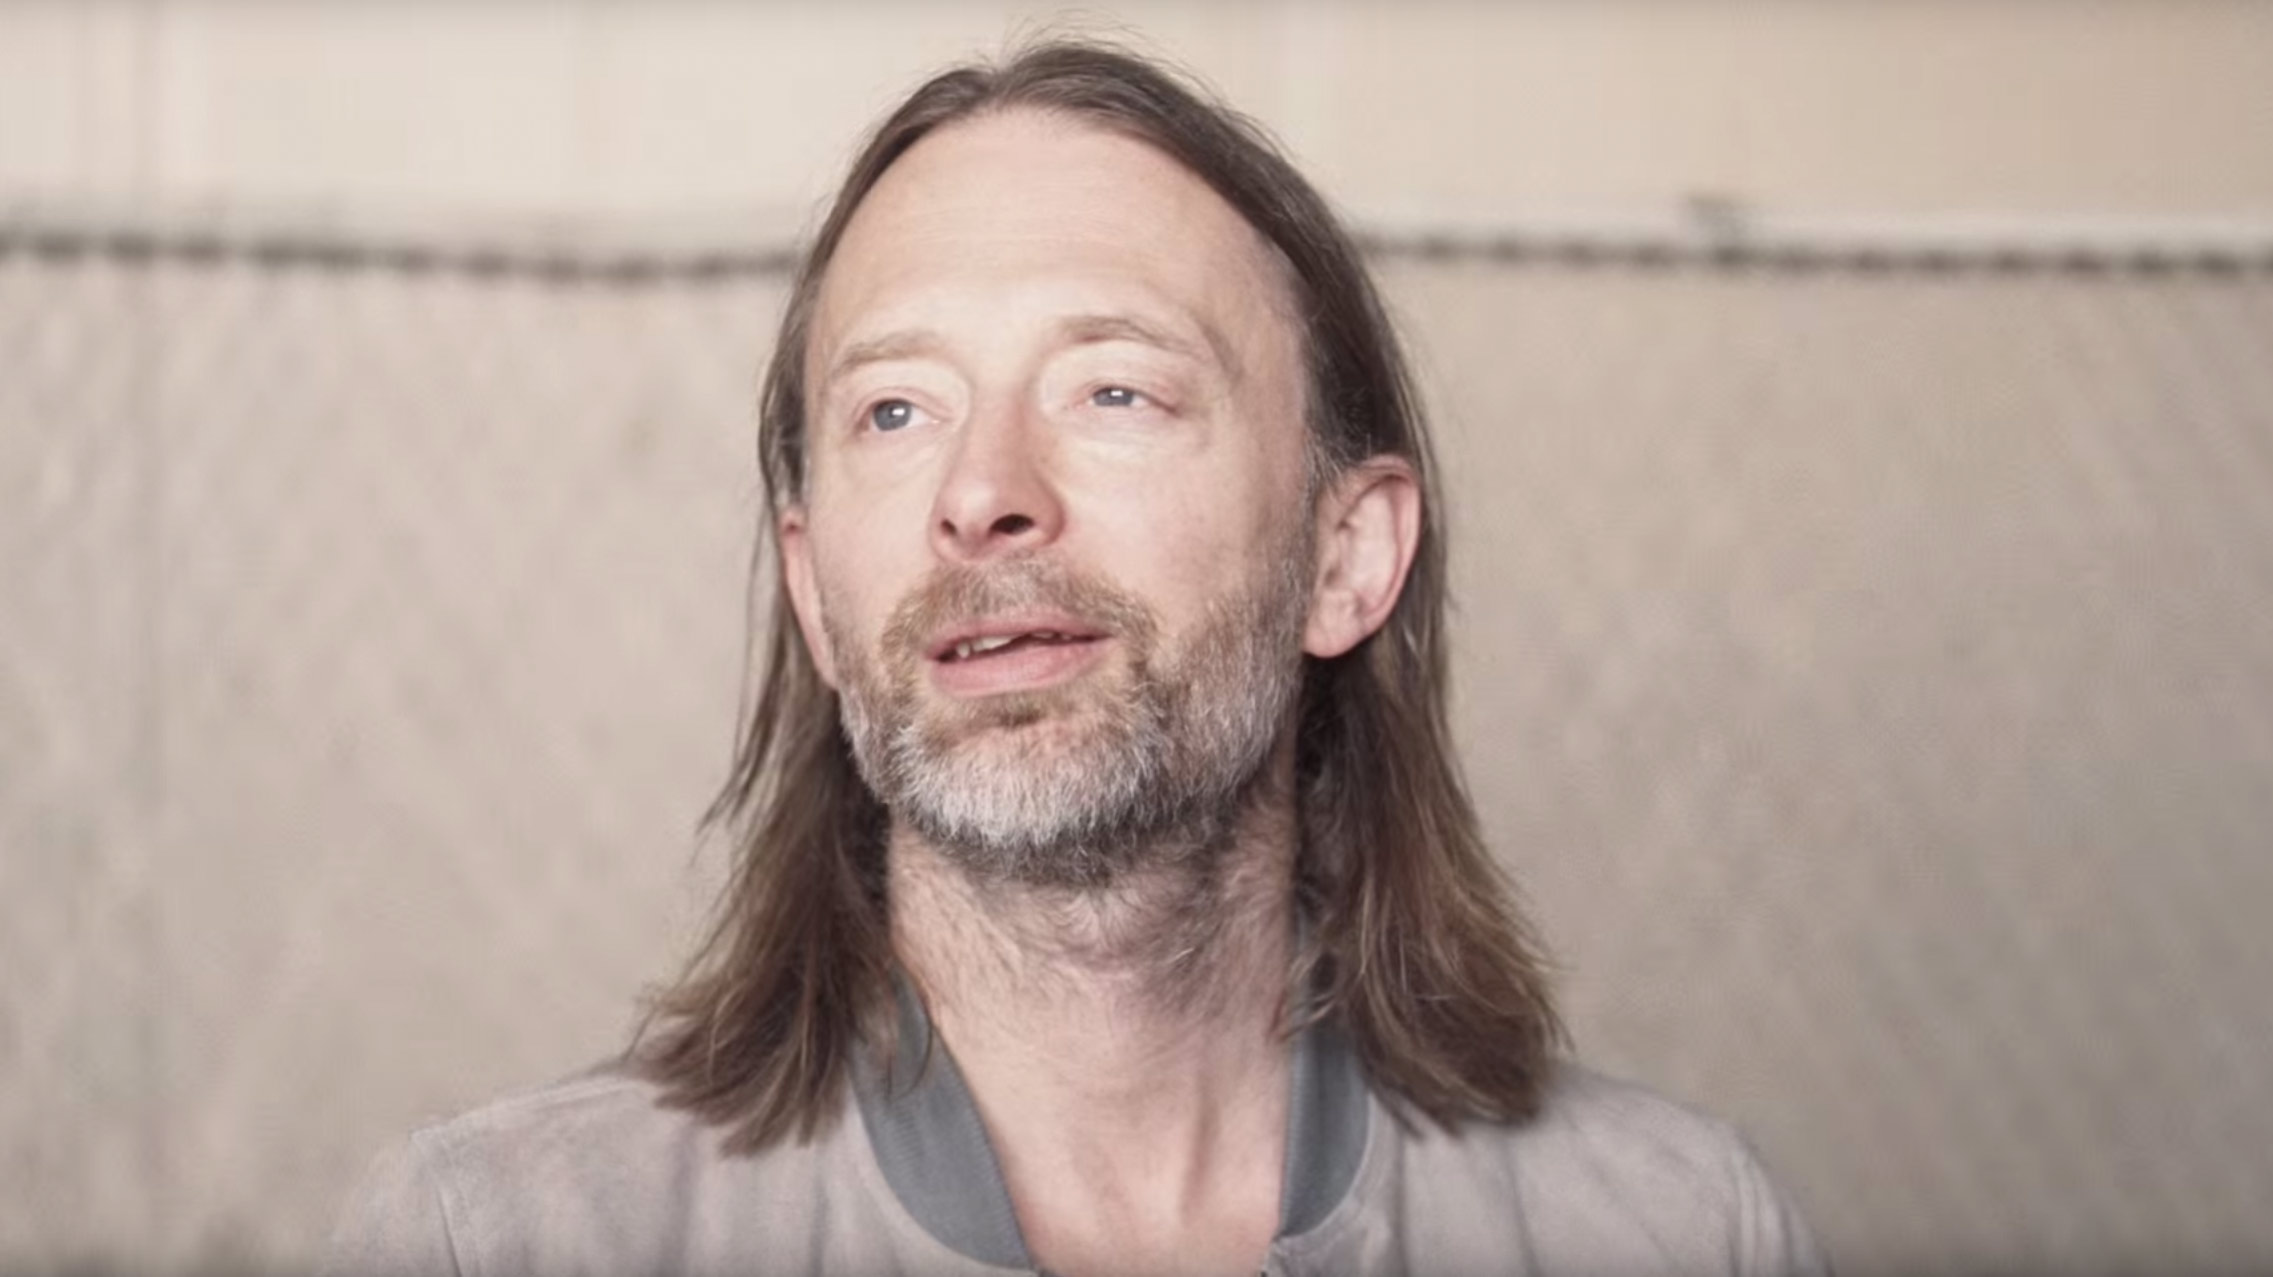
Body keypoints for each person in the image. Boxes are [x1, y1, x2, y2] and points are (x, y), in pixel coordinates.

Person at [326, 39, 1825, 1277]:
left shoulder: (1687, 1231)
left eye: (1114, 390)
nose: (982, 493)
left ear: (1344, 556)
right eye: (895, 411)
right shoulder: (493, 1242)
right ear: (813, 590)